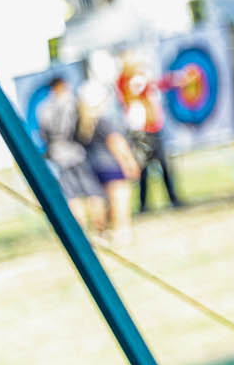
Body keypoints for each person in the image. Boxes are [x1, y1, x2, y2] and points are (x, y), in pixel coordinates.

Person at [118, 54, 185, 212]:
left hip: (152, 129)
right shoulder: (129, 82)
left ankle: (172, 198)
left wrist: (176, 80)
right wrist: (175, 79)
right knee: (143, 169)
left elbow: (156, 84)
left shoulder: (137, 81)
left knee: (163, 166)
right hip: (142, 133)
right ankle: (143, 204)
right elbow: (153, 84)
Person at [36, 73, 103, 230]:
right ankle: (100, 231)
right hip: (77, 151)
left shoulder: (43, 108)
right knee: (92, 192)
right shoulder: (73, 101)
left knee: (72, 196)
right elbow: (85, 127)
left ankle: (82, 232)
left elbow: (43, 134)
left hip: (58, 154)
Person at [77, 80, 138, 244]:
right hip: (111, 163)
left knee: (98, 200)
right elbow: (116, 142)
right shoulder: (105, 118)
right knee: (120, 198)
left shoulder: (84, 120)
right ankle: (122, 231)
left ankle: (101, 232)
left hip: (94, 164)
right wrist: (129, 161)